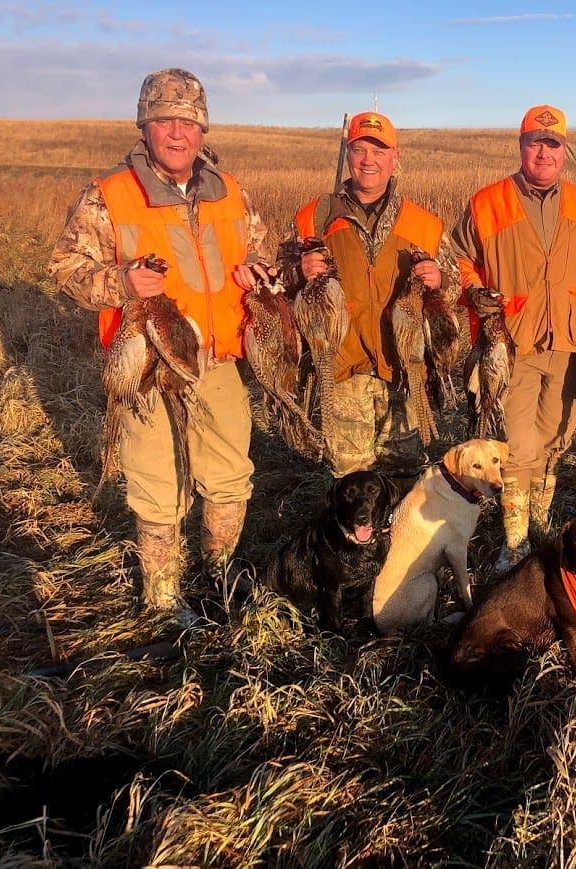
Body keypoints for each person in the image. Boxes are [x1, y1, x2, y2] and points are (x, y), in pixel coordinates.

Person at [48, 68, 271, 622]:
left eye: (188, 122)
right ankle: (164, 601)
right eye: (164, 121)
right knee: (157, 484)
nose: (177, 134)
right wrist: (119, 282)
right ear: (144, 126)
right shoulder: (109, 196)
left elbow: (260, 249)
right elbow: (65, 268)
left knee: (229, 477)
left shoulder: (230, 191)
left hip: (215, 362)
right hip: (146, 365)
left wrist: (259, 272)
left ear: (204, 128)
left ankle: (218, 579)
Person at [451, 104, 576, 571]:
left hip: (570, 342)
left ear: (565, 151)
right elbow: (459, 259)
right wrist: (473, 290)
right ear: (520, 145)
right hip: (512, 344)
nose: (543, 152)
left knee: (557, 439)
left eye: (553, 144)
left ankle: (540, 524)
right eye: (534, 142)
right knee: (519, 447)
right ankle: (515, 545)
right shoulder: (488, 202)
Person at [289, 110, 459, 479]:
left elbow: (454, 283)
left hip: (402, 367)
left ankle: (398, 536)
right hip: (341, 366)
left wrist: (439, 279)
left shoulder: (423, 223)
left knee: (403, 475)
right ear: (348, 153)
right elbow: (279, 280)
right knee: (352, 479)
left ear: (395, 158)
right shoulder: (314, 218)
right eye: (360, 149)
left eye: (379, 151)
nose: (369, 160)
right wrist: (298, 271)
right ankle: (357, 538)